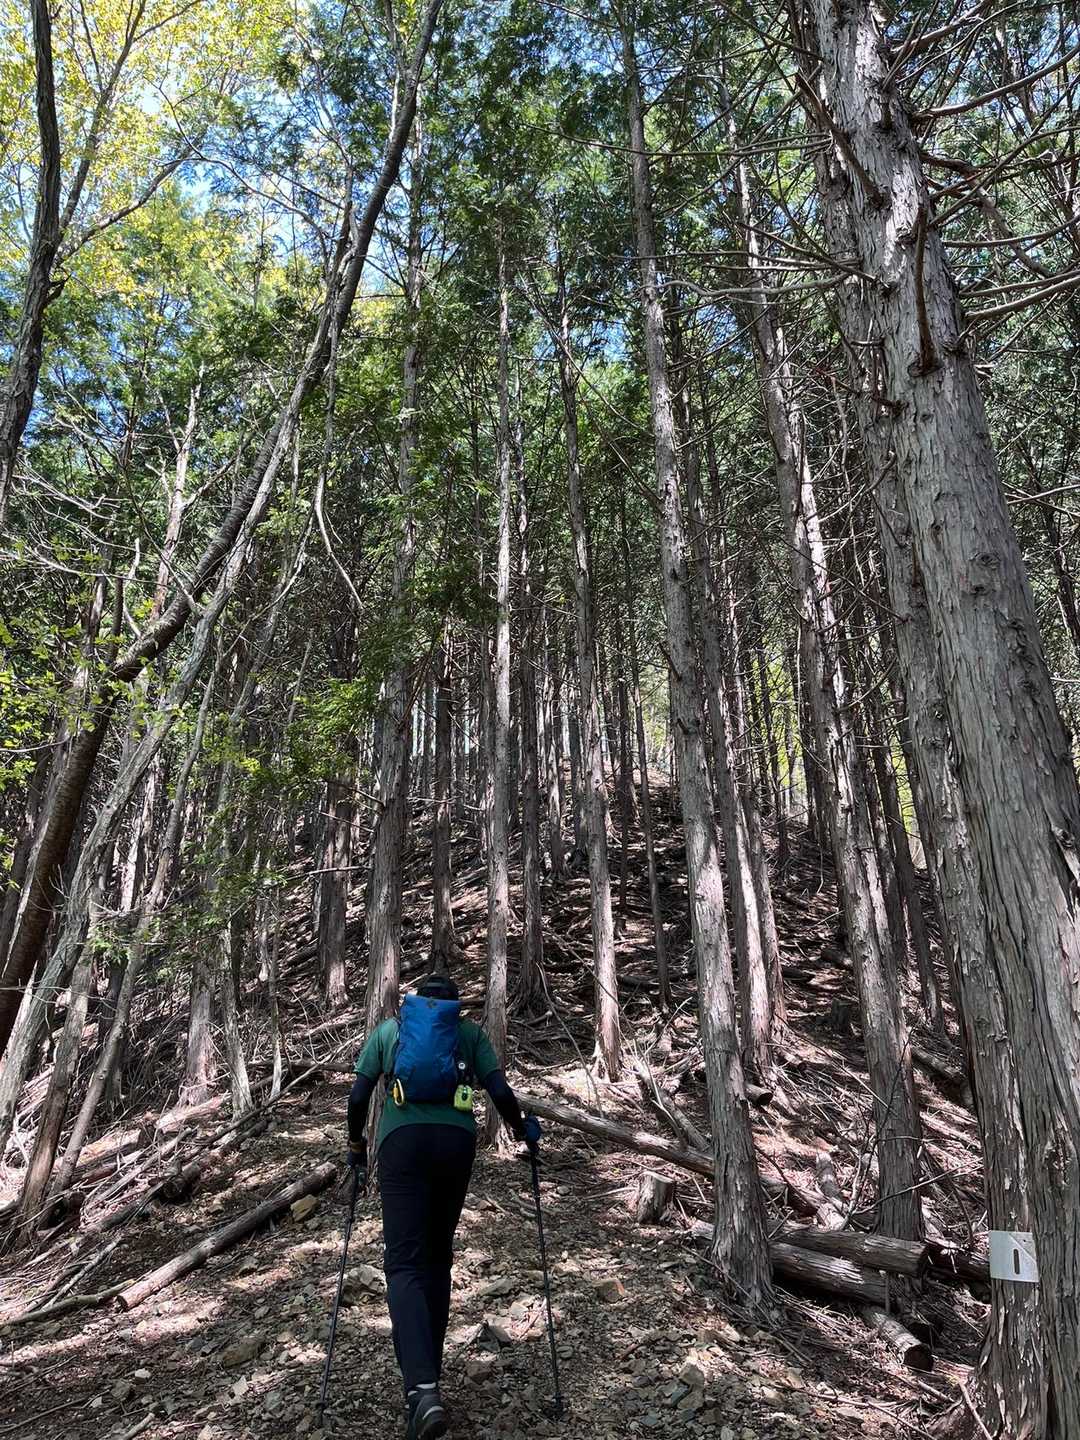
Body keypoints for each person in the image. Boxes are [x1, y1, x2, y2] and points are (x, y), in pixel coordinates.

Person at [346, 973, 541, 1440]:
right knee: (436, 1260)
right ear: (453, 1007)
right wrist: (523, 1130)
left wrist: (356, 1148)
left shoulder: (391, 1031)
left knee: (404, 1264)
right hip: (456, 1145)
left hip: (401, 1146)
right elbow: (500, 1093)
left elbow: (357, 1097)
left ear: (418, 1004)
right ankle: (426, 1384)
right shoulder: (467, 1033)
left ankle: (421, 1391)